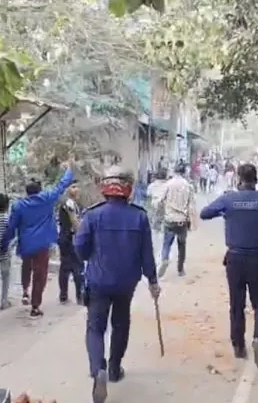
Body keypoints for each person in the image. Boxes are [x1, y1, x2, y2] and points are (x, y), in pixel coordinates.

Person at [75, 166, 161, 403]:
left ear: (104, 188)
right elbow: (147, 254)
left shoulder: (93, 215)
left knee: (95, 328)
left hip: (98, 281)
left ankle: (98, 370)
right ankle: (114, 369)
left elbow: (80, 248)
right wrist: (153, 281)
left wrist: (91, 256)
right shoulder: (139, 216)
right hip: (126, 284)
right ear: (128, 189)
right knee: (121, 324)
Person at [199, 164, 258, 371]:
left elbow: (204, 213)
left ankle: (239, 346)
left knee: (237, 305)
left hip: (235, 259)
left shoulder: (228, 199)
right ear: (255, 179)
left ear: (239, 179)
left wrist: (226, 212)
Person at [1, 161, 74, 318]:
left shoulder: (18, 206)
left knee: (26, 267)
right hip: (42, 244)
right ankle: (35, 306)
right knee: (40, 275)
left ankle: (25, 291)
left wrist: (4, 244)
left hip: (26, 244)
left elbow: (11, 227)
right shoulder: (47, 199)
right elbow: (62, 185)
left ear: (27, 192)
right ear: (39, 190)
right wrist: (69, 169)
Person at [155, 162, 196, 278]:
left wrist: (159, 210)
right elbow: (191, 205)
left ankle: (164, 259)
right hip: (182, 220)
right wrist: (191, 221)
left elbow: (158, 201)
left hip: (169, 219)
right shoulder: (188, 186)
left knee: (166, 243)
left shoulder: (168, 184)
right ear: (184, 172)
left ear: (174, 171)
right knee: (182, 245)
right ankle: (180, 269)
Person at [58, 180, 84, 305]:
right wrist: (81, 233)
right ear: (67, 189)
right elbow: (74, 221)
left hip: (65, 238)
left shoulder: (70, 203)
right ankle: (80, 296)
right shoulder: (69, 203)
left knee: (65, 267)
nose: (76, 189)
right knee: (77, 267)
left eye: (77, 187)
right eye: (73, 187)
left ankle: (64, 295)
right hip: (70, 238)